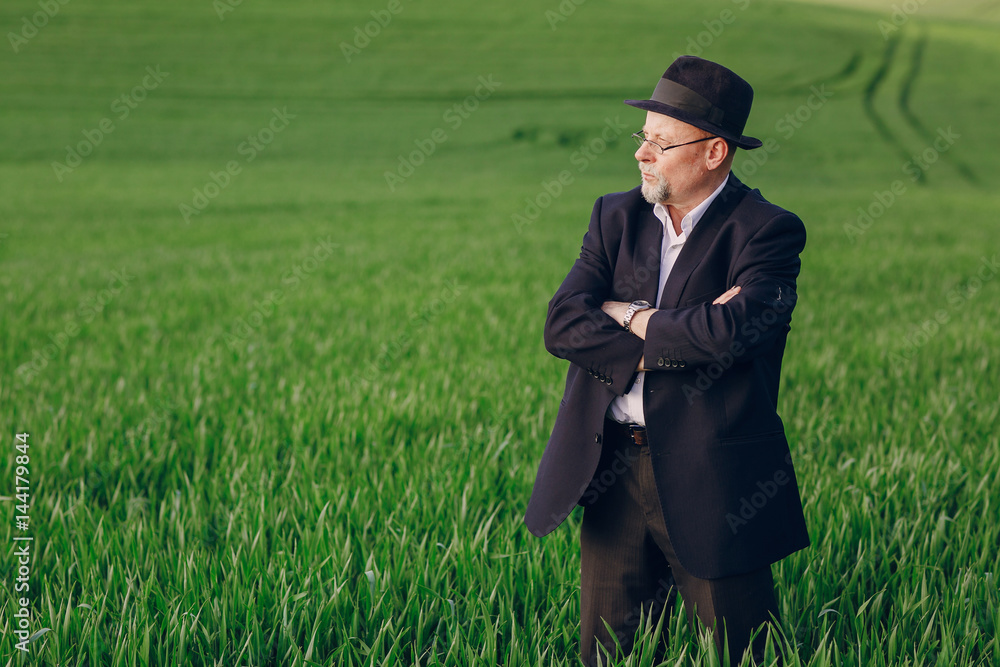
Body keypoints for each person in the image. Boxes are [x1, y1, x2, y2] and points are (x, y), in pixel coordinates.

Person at [524, 55, 811, 665]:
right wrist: (678, 334)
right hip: (610, 471)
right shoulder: (615, 216)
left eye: (661, 141)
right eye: (642, 137)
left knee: (744, 652)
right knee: (608, 655)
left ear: (714, 153)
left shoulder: (767, 233)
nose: (641, 154)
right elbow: (562, 324)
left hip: (715, 478)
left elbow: (729, 336)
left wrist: (623, 313)